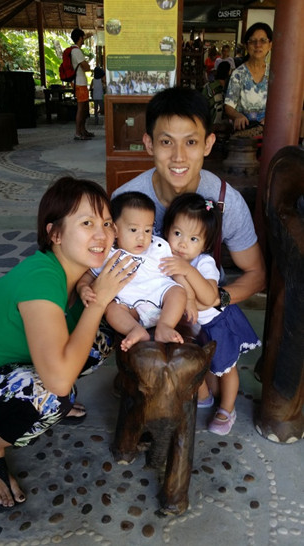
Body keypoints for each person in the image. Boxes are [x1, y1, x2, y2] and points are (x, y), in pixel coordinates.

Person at [0, 176, 136, 510]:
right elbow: (58, 382)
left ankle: (26, 395)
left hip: (12, 365)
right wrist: (101, 301)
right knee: (51, 393)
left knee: (100, 337)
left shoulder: (83, 277)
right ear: (55, 234)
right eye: (86, 223)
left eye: (107, 223)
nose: (102, 234)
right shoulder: (42, 277)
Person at [111, 86, 266, 314]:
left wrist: (217, 299)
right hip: (140, 311)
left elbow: (257, 273)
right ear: (149, 144)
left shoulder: (224, 201)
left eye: (191, 142)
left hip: (203, 310)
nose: (179, 156)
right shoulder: (125, 202)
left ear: (208, 144)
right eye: (166, 142)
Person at [160, 193, 261, 435]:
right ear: (167, 232)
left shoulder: (204, 263)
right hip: (195, 327)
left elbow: (209, 297)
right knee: (198, 365)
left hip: (218, 324)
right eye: (177, 234)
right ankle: (204, 396)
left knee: (226, 369)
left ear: (204, 244)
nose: (183, 244)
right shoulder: (165, 257)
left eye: (193, 238)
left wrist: (186, 271)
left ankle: (227, 409)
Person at [77, 192, 186, 351]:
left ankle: (165, 327)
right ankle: (135, 329)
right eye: (134, 230)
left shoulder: (158, 248)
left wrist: (188, 297)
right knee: (111, 309)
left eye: (148, 230)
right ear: (115, 229)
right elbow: (88, 276)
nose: (142, 237)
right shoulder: (109, 254)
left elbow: (176, 272)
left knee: (177, 292)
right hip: (128, 307)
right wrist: (83, 288)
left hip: (160, 297)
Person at [224, 23, 273, 131]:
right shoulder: (238, 74)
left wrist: (270, 119)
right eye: (253, 41)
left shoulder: (274, 73)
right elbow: (229, 106)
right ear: (246, 46)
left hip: (269, 130)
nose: (258, 45)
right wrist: (238, 116)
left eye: (263, 41)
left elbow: (280, 104)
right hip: (245, 131)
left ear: (270, 45)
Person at [70, 27, 94, 140]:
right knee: (81, 107)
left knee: (84, 107)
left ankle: (82, 130)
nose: (84, 39)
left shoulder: (72, 50)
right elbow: (86, 67)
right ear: (80, 38)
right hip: (79, 82)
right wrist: (87, 66)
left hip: (79, 82)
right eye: (83, 37)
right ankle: (78, 132)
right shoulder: (76, 51)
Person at [202, 61, 231, 126]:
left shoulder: (209, 86)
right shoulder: (229, 88)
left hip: (208, 121)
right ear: (228, 72)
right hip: (218, 122)